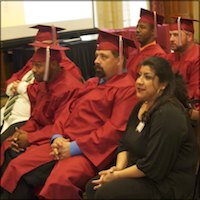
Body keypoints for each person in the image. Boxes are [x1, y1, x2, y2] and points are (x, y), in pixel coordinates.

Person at [0, 30, 138, 200]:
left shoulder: (127, 90)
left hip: (88, 152)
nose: (96, 61)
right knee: (16, 165)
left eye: (103, 57)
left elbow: (113, 131)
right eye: (96, 56)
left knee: (55, 181)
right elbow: (67, 111)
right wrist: (56, 136)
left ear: (120, 60)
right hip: (62, 143)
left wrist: (73, 148)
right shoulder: (91, 83)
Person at [85, 56, 197, 200]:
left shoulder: (168, 114)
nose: (139, 81)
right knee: (92, 186)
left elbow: (154, 166)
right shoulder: (142, 105)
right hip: (143, 173)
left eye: (147, 77)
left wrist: (117, 176)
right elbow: (124, 143)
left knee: (106, 192)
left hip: (165, 182)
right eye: (139, 75)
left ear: (163, 84)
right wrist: (118, 168)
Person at [0, 24, 83, 134]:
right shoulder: (35, 62)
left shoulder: (65, 69)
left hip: (29, 117)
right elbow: (17, 75)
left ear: (55, 45)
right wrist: (12, 85)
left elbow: (47, 96)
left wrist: (22, 87)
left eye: (45, 44)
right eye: (37, 44)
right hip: (12, 112)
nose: (40, 48)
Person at [166, 17, 199, 111]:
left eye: (176, 35)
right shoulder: (170, 57)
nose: (171, 39)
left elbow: (194, 92)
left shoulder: (197, 57)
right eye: (170, 35)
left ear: (189, 37)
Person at [126, 8, 166, 80]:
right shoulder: (133, 53)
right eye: (137, 27)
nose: (137, 30)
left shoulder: (158, 55)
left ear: (153, 31)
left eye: (142, 27)